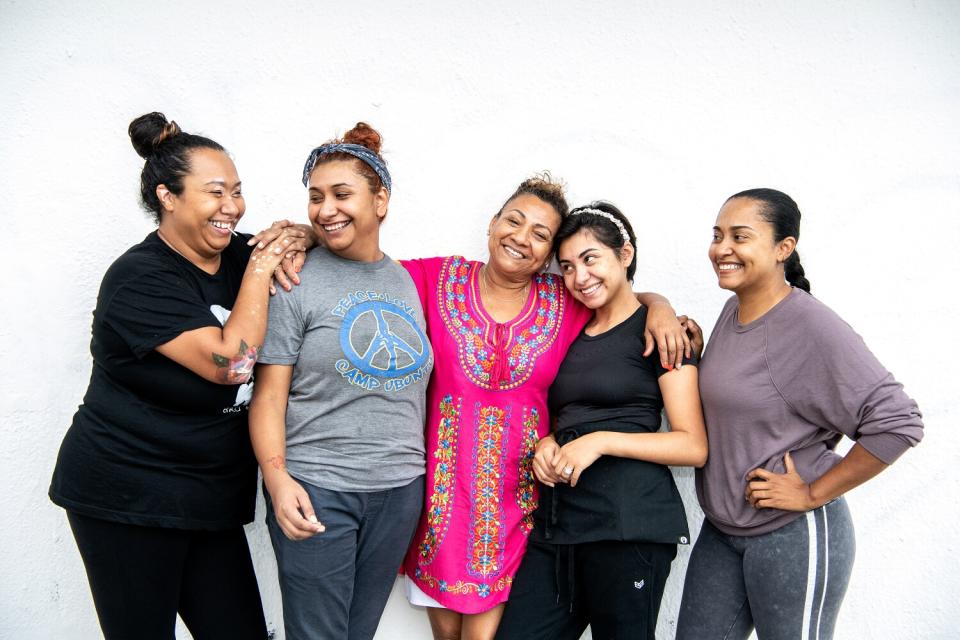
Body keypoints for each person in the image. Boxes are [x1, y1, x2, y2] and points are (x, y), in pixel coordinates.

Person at [49, 112, 311, 640]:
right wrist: (262, 267)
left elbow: (299, 243)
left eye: (237, 192)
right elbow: (231, 363)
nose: (233, 208)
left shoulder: (237, 252)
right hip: (127, 493)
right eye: (215, 193)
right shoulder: (139, 278)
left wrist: (299, 233)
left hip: (208, 495)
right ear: (168, 197)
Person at [399, 180, 692, 640]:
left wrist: (661, 307)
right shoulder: (443, 280)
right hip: (464, 510)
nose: (521, 237)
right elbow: (371, 272)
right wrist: (311, 235)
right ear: (493, 224)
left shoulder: (568, 304)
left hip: (548, 514)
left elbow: (624, 301)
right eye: (513, 221)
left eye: (540, 233)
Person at [675, 188, 924, 639]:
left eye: (740, 236)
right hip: (724, 528)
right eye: (717, 235)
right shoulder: (735, 310)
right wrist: (697, 354)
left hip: (793, 533)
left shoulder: (811, 325)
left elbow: (898, 422)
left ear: (782, 249)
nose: (721, 248)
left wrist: (812, 494)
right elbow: (757, 394)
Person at [249, 122, 433, 640]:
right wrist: (278, 478)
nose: (325, 209)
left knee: (357, 634)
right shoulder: (296, 277)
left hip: (399, 491)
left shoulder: (408, 281)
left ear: (381, 201)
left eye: (341, 194)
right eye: (315, 197)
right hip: (318, 488)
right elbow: (269, 396)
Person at [494, 201, 708, 640]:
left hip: (629, 526)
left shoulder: (663, 332)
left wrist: (600, 442)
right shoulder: (567, 328)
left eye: (591, 259)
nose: (579, 278)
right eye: (568, 267)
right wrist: (547, 443)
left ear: (624, 254)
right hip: (559, 527)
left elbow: (692, 445)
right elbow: (564, 412)